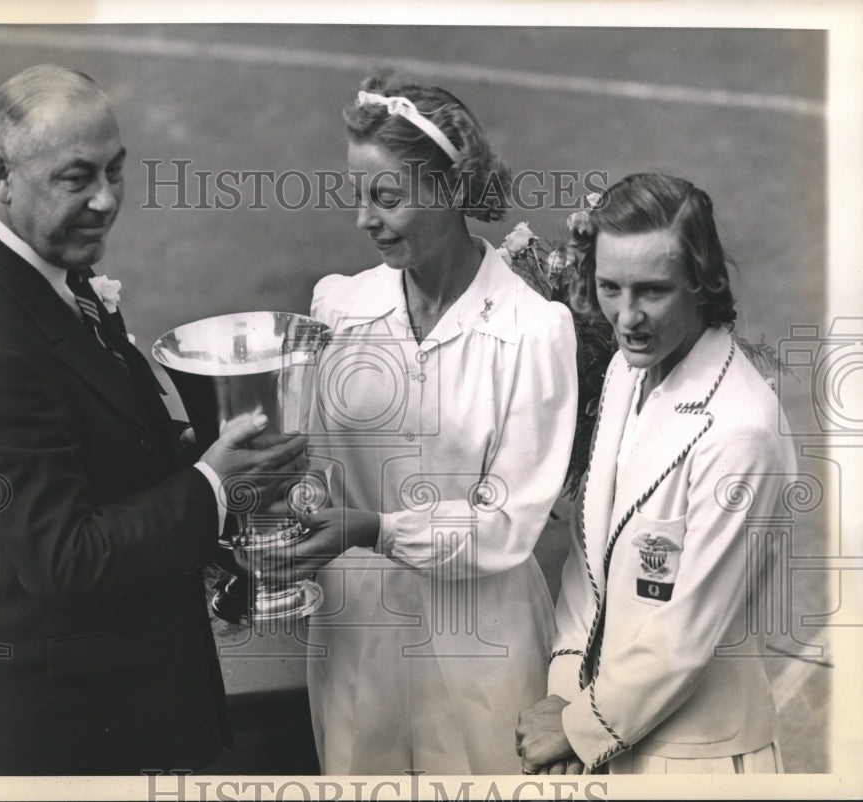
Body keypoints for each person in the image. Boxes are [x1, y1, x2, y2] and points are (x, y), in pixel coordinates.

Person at [0, 64, 306, 775]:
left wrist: (194, 449)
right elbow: (66, 557)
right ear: (1, 172)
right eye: (77, 177)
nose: (105, 200)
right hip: (55, 737)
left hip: (111, 706)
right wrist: (211, 487)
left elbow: (86, 448)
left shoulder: (36, 262)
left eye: (116, 171)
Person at [263, 73, 578, 774]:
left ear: (449, 190)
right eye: (358, 197)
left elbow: (505, 524)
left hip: (482, 643)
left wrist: (374, 529)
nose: (364, 220)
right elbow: (313, 470)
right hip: (356, 633)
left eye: (387, 198)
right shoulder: (338, 308)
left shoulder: (533, 329)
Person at [515, 173, 797, 774]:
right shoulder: (625, 372)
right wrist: (566, 687)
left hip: (699, 759)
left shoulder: (740, 430)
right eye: (610, 287)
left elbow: (685, 635)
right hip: (604, 733)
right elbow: (587, 560)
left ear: (703, 283)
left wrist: (576, 728)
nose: (627, 316)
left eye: (653, 291)